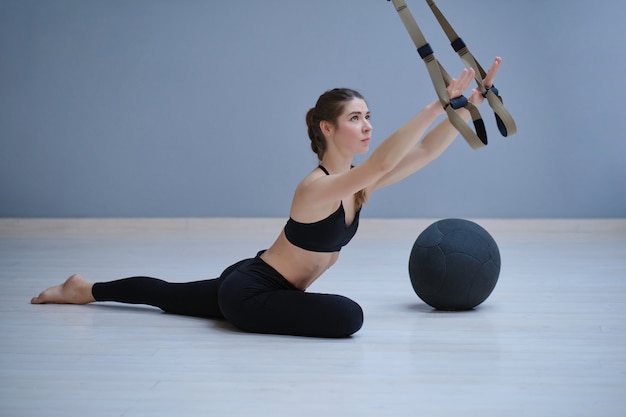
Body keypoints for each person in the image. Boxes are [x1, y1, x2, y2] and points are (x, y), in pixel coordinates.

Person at [31, 58, 502, 338]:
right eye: (356, 118)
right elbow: (382, 161)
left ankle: (84, 289)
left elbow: (420, 151)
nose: (367, 126)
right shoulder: (314, 188)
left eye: (368, 116)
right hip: (252, 291)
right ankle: (85, 291)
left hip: (252, 274)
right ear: (327, 128)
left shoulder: (357, 186)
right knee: (349, 317)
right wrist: (437, 104)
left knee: (166, 295)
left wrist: (470, 107)